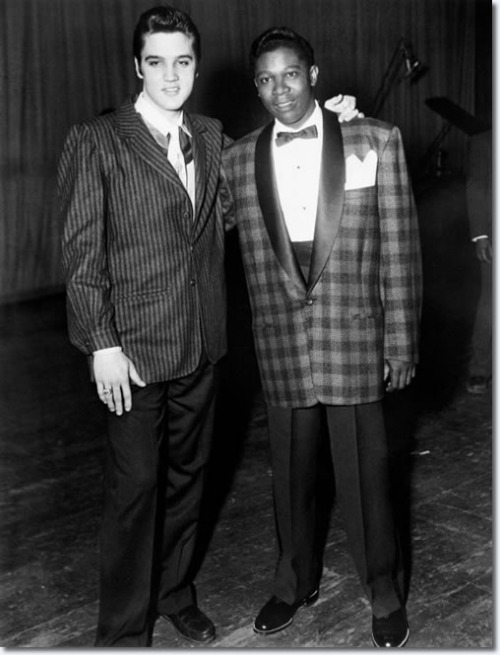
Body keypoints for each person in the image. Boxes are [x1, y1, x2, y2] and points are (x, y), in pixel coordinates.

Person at [58, 6, 359, 647]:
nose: (172, 74)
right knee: (135, 491)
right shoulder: (98, 140)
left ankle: (173, 594)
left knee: (189, 481)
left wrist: (332, 125)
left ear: (196, 63)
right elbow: (81, 255)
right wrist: (100, 344)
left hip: (202, 344)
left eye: (184, 60)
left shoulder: (213, 134)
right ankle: (121, 630)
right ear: (137, 66)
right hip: (131, 353)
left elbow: (249, 197)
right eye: (158, 61)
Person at [221, 27, 422, 648]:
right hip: (282, 341)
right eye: (264, 79)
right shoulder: (236, 158)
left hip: (355, 335)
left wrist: (402, 342)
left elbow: (401, 248)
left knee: (366, 474)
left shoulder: (374, 138)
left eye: (289, 74)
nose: (278, 89)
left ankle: (383, 589)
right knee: (290, 477)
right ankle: (293, 581)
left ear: (314, 74)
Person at [465, 128, 492, 394]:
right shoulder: (483, 140)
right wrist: (481, 235)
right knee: (490, 302)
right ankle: (481, 368)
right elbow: (476, 185)